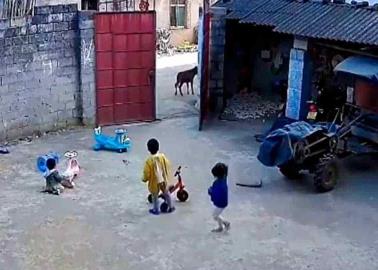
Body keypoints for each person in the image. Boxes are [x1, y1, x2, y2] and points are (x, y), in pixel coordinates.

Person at [142, 138, 175, 215]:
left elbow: (147, 172)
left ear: (148, 149)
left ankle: (156, 209)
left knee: (154, 195)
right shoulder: (162, 157)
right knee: (166, 193)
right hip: (163, 179)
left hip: (155, 181)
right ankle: (171, 207)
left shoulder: (149, 161)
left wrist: (144, 179)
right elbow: (168, 164)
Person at [208, 162, 230, 232]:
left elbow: (215, 194)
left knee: (215, 216)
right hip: (224, 201)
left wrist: (210, 191)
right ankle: (221, 226)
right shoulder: (224, 179)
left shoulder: (218, 184)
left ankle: (225, 223)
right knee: (216, 214)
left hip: (221, 203)